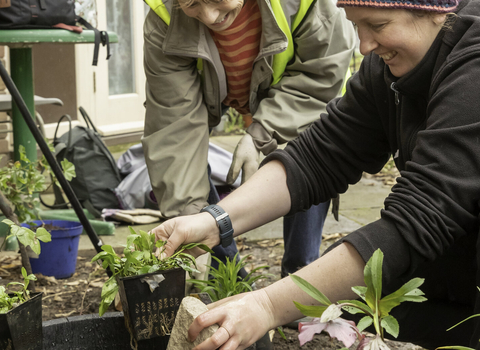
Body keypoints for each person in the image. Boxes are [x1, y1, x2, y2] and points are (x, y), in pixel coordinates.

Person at [151, 0, 480, 348]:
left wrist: (266, 305)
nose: (364, 45)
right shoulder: (387, 69)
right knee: (346, 299)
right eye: (357, 26)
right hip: (458, 266)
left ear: (436, 11)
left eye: (378, 25)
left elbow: (420, 217)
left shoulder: (473, 68)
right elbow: (320, 156)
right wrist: (214, 221)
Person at [142, 0, 356, 277]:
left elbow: (318, 77)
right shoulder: (165, 17)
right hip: (234, 87)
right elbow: (175, 127)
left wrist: (262, 132)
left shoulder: (305, 3)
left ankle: (300, 277)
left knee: (310, 150)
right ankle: (228, 278)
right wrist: (188, 219)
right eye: (192, 4)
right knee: (186, 173)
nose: (208, 16)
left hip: (308, 96)